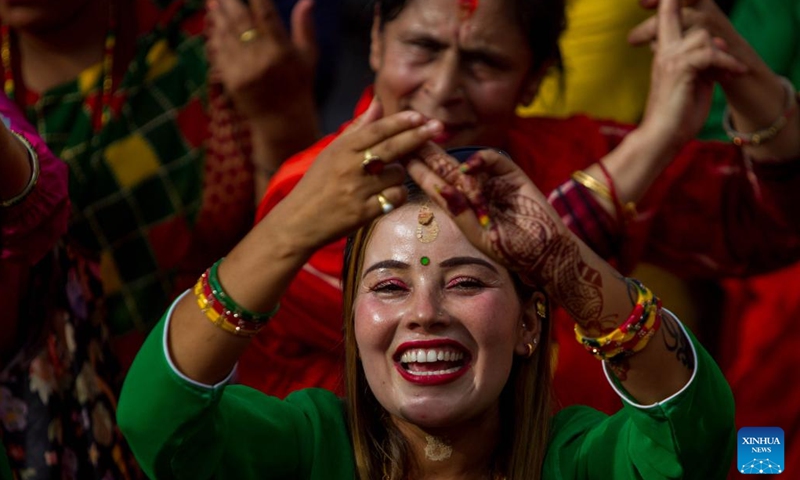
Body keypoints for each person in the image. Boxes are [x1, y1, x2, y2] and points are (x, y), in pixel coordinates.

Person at [220, 0, 800, 418]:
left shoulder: (568, 154)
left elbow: (766, 223)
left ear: (535, 79)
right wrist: (655, 140)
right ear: (375, 39)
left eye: (484, 63)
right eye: (422, 47)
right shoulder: (317, 193)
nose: (444, 87)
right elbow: (489, 283)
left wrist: (745, 75)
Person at [116, 111, 737, 477]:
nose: (423, 314)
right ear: (355, 324)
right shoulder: (308, 450)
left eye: (466, 283)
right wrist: (290, 227)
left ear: (528, 326)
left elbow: (694, 437)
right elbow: (157, 423)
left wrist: (563, 263)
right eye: (388, 286)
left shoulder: (576, 462)